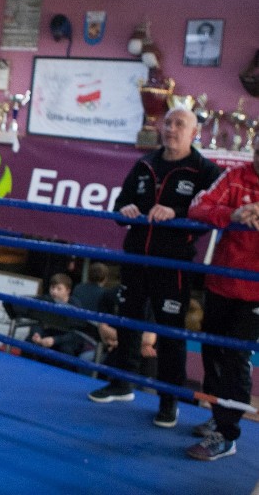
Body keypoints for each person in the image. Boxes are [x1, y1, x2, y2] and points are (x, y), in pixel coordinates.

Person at [88, 107, 221, 429]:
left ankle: (168, 400)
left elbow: (211, 215)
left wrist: (177, 213)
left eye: (180, 124)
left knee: (169, 333)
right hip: (135, 257)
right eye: (168, 123)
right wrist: (126, 209)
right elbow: (120, 207)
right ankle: (121, 383)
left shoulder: (205, 170)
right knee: (128, 322)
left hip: (171, 263)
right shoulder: (145, 163)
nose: (171, 128)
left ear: (194, 133)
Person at [185, 139, 259, 460]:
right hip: (220, 283)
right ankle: (218, 416)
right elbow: (197, 207)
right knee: (212, 352)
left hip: (255, 292)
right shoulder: (235, 176)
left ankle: (228, 435)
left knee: (235, 357)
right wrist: (234, 214)